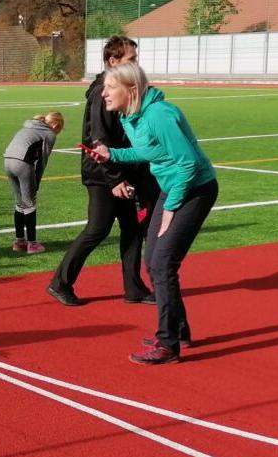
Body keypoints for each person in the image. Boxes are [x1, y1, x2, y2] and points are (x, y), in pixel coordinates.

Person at [90, 63, 218, 366]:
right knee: (153, 261)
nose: (103, 93)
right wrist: (114, 155)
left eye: (110, 87)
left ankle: (167, 344)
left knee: (162, 263)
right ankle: (179, 330)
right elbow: (150, 152)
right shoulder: (130, 117)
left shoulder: (158, 115)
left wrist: (172, 207)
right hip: (171, 186)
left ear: (130, 90)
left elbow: (187, 163)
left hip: (194, 189)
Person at [48, 37, 154, 307]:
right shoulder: (101, 93)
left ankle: (134, 288)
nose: (136, 64)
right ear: (112, 61)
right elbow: (99, 140)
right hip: (102, 174)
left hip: (121, 170)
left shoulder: (121, 89)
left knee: (132, 228)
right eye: (131, 60)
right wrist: (115, 179)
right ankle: (60, 282)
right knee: (98, 229)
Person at [2, 110, 64, 253]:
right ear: (55, 124)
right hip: (22, 163)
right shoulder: (49, 134)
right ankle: (32, 244)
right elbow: (42, 161)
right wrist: (36, 182)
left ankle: (19, 242)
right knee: (29, 204)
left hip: (7, 161)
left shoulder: (29, 126)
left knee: (20, 203)